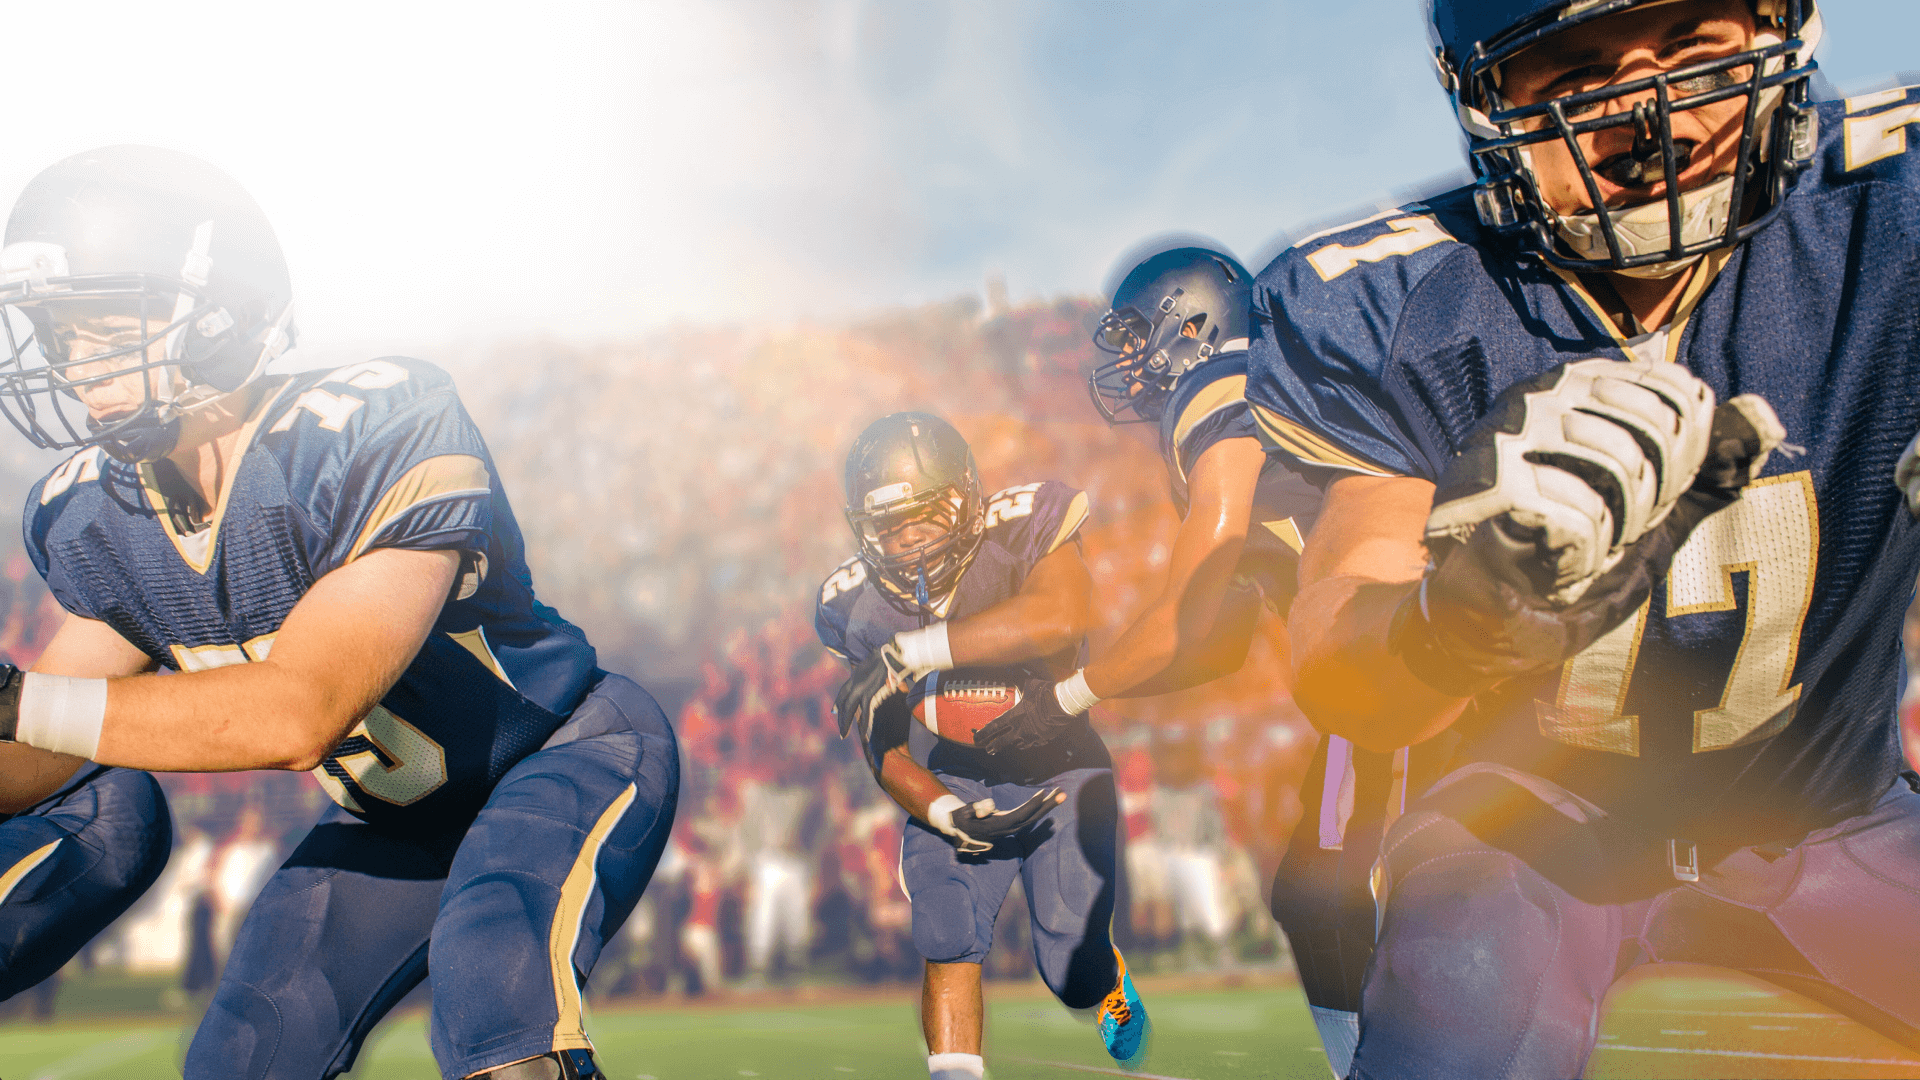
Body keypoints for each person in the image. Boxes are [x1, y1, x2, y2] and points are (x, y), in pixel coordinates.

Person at [1243, 0, 1920, 1076]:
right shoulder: (1395, 303)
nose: (1653, 118)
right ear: (1487, 103)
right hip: (1523, 829)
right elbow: (1338, 660)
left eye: (1698, 51)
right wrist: (1448, 623)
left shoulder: (1891, 214)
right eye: (1574, 74)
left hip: (1830, 806)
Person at [0, 145, 678, 1080]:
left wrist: (9, 700)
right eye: (61, 333)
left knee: (503, 1028)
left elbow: (299, 710)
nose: (77, 362)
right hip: (386, 821)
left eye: (105, 323)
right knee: (241, 1061)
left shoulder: (370, 425)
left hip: (558, 755)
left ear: (220, 311)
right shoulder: (97, 515)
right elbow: (41, 733)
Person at [982, 244, 1440, 1075]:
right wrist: (1076, 697)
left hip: (1399, 652)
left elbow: (1189, 609)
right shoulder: (1276, 394)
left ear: (1191, 320)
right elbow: (1214, 643)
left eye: (1134, 335)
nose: (1125, 361)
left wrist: (1070, 695)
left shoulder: (1221, 385)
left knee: (1342, 894)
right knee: (1326, 893)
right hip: (1396, 647)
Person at [815, 412, 1146, 1080]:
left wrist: (916, 650)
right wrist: (943, 813)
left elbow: (1059, 617)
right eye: (888, 526)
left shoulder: (1023, 526)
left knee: (1069, 968)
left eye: (924, 516)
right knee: (946, 931)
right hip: (955, 777)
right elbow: (886, 752)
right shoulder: (855, 603)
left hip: (1060, 761)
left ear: (964, 500)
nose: (907, 541)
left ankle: (1102, 975)